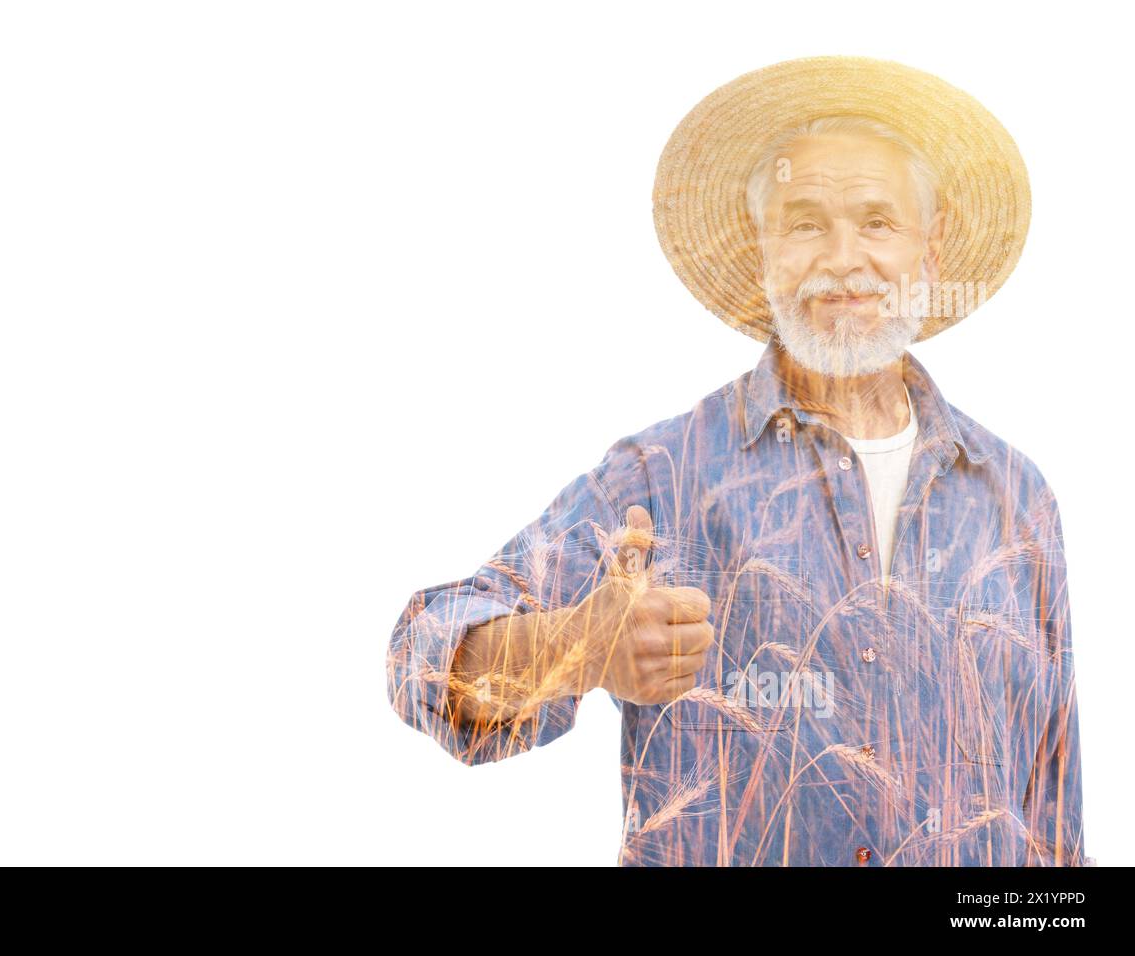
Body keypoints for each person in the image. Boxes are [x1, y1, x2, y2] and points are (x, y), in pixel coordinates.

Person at [385, 56, 1087, 866]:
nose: (842, 256)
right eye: (803, 223)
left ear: (930, 254)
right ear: (763, 255)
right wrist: (580, 644)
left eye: (878, 222)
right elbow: (419, 656)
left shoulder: (1017, 499)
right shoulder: (662, 478)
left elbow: (1056, 820)